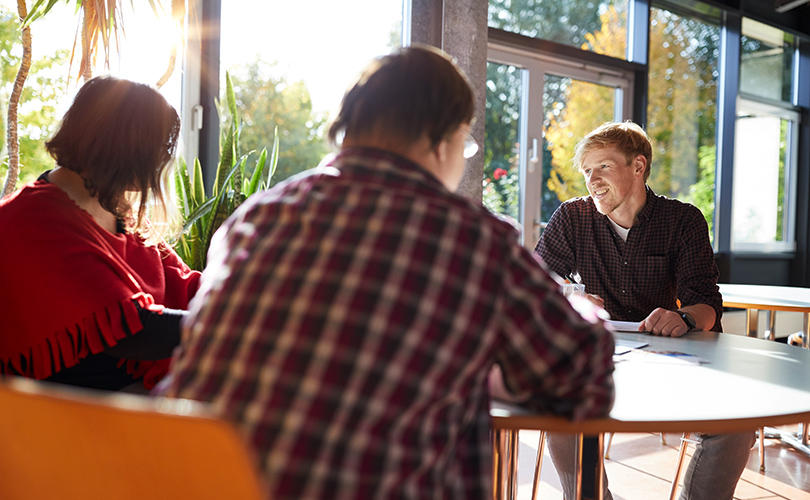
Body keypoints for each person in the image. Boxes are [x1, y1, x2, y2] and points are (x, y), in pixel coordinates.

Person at [166, 45, 615, 500]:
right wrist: (574, 302)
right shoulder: (470, 237)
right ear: (443, 139)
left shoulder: (255, 217)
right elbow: (582, 376)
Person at [536, 120, 755, 500]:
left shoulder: (683, 220)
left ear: (638, 166)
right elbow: (533, 283)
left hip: (670, 359)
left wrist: (684, 317)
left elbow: (707, 304)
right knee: (561, 413)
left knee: (736, 426)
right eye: (587, 170)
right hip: (596, 358)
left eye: (603, 166)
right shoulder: (573, 217)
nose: (593, 179)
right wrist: (568, 294)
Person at [0, 77, 200, 391]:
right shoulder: (33, 220)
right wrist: (228, 325)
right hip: (65, 414)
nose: (162, 159)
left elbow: (182, 282)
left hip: (124, 396)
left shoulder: (115, 208)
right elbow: (129, 331)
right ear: (124, 146)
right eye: (157, 147)